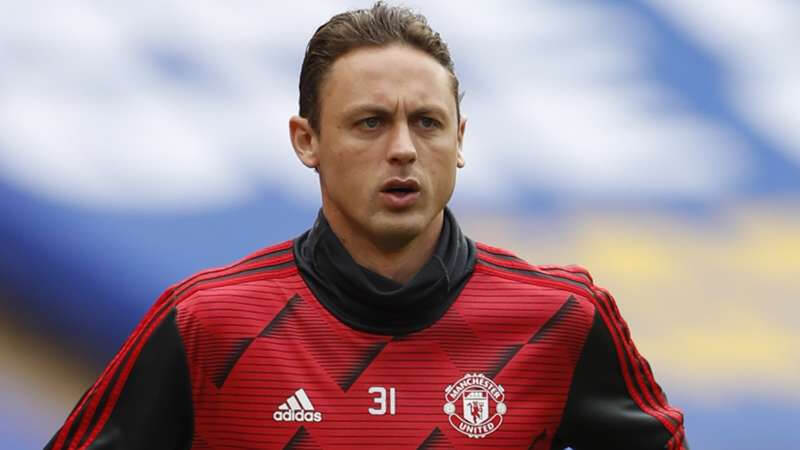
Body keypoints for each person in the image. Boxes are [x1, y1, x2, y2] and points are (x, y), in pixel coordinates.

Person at [46, 3, 687, 449]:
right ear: (307, 140)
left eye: (427, 123)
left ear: (460, 140)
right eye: (370, 123)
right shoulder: (207, 323)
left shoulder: (562, 319)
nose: (403, 149)